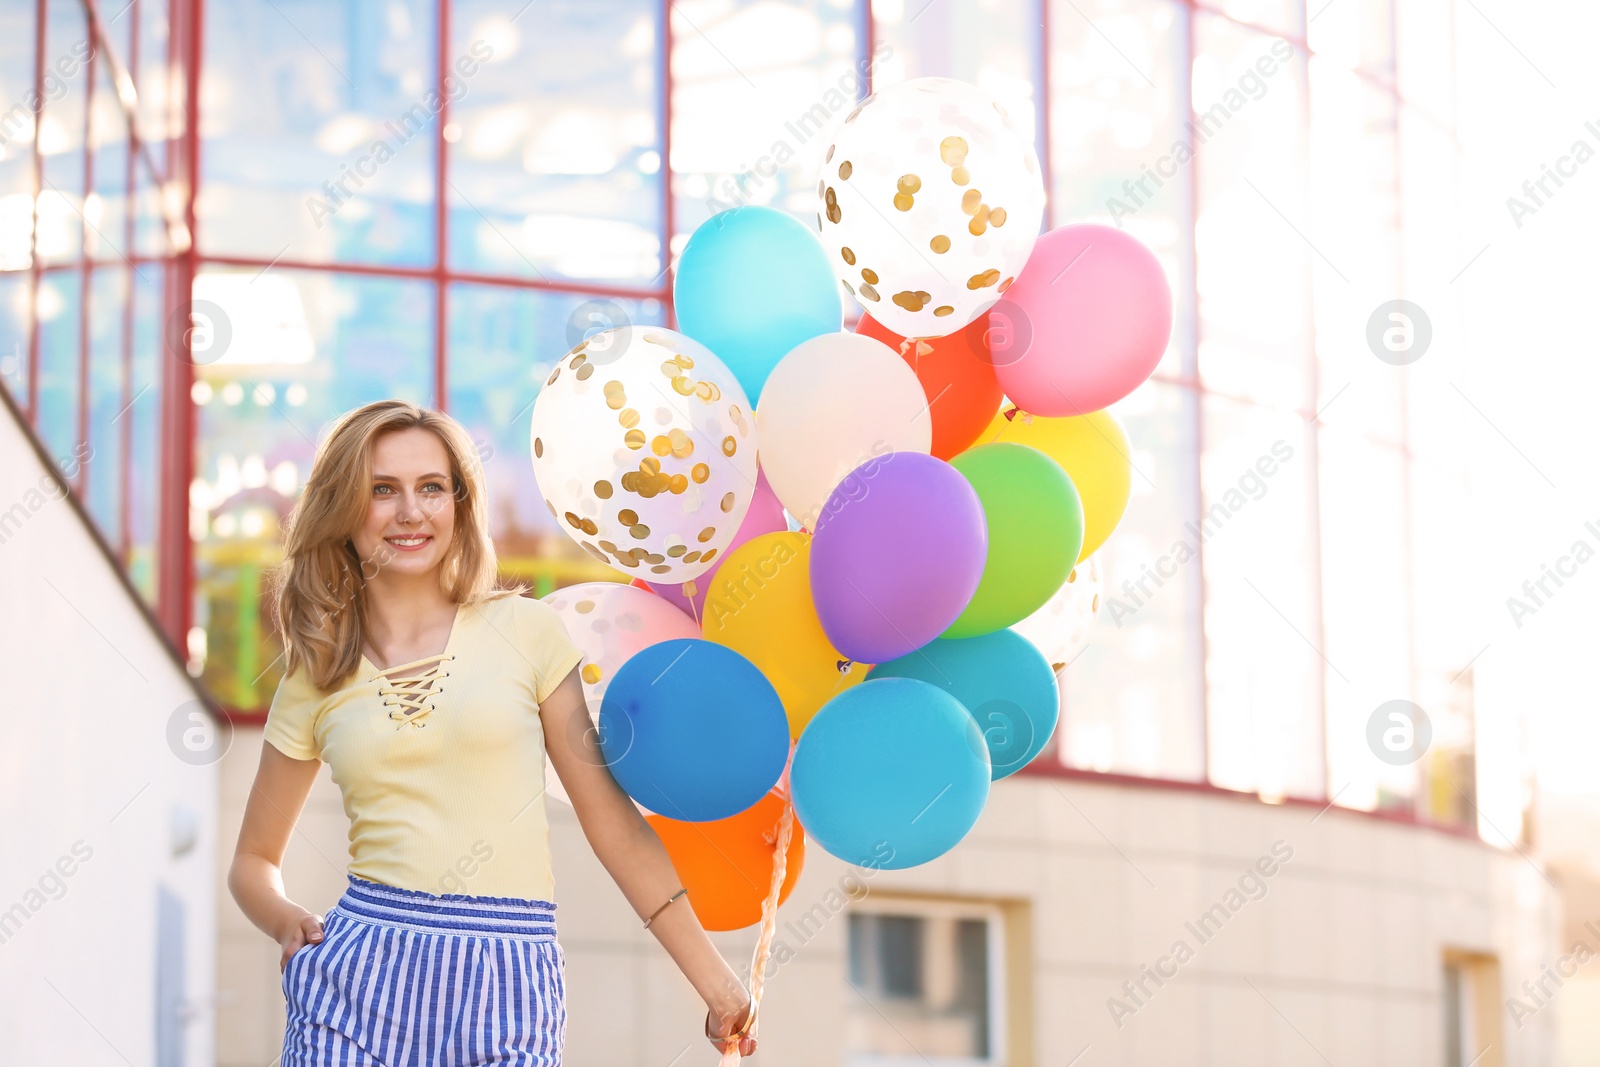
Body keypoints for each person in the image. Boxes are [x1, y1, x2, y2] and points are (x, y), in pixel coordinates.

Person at [229, 400, 758, 1064]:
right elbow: (252, 861)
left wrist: (716, 983)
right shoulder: (317, 670)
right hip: (356, 981)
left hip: (506, 986)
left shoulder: (526, 631)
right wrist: (287, 923)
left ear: (458, 502)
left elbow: (613, 823)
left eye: (431, 487)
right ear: (344, 507)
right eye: (381, 489)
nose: (410, 511)